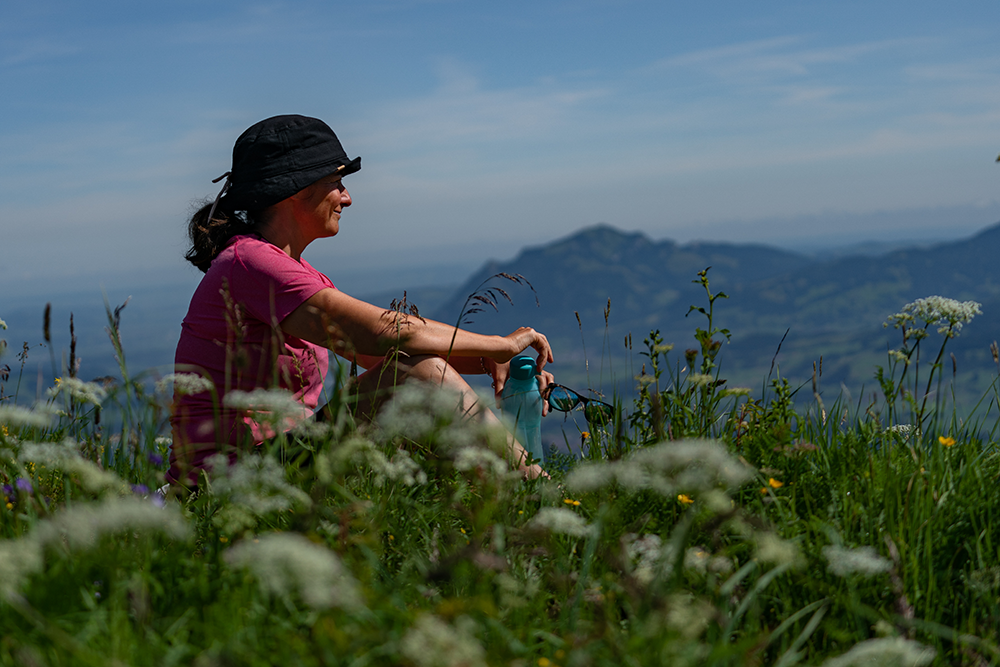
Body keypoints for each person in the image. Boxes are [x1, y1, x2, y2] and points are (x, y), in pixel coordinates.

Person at [166, 114, 553, 486]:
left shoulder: (282, 269)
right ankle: (533, 492)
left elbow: (382, 360)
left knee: (415, 378)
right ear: (298, 190)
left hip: (271, 463)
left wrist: (493, 363)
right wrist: (501, 345)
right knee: (419, 378)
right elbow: (390, 334)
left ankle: (506, 502)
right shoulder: (249, 263)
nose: (347, 197)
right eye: (338, 182)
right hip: (226, 482)